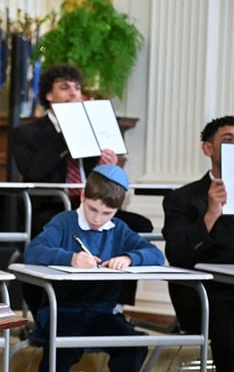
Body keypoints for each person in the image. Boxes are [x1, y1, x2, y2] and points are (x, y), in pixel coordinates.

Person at [7, 164, 162, 372]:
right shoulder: (63, 223)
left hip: (101, 313)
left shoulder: (119, 230)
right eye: (93, 210)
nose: (97, 219)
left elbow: (155, 254)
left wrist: (130, 257)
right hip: (61, 310)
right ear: (83, 198)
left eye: (107, 214)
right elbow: (34, 251)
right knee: (66, 342)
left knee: (133, 345)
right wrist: (70, 257)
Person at [11, 63, 152, 309]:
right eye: (65, 88)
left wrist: (107, 164)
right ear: (49, 95)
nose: (74, 94)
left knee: (139, 225)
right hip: (51, 204)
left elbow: (102, 182)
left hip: (89, 203)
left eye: (77, 89)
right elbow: (33, 170)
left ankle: (116, 303)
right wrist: (69, 133)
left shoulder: (93, 128)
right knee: (60, 228)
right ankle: (56, 305)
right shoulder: (27, 133)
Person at [162, 115, 234, 372]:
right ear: (208, 148)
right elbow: (179, 254)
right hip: (208, 293)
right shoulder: (184, 198)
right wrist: (212, 213)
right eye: (229, 139)